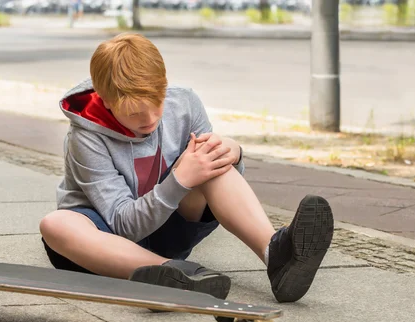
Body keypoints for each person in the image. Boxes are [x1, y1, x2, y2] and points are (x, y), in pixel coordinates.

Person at [39, 33, 334, 303]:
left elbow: (220, 189)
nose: (150, 118)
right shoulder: (85, 138)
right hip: (105, 243)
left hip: (169, 230)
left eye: (157, 104)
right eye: (134, 113)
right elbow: (122, 226)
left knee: (210, 160)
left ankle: (277, 256)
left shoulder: (185, 102)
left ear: (164, 86)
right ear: (106, 102)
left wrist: (232, 153)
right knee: (55, 224)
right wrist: (180, 180)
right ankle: (176, 275)